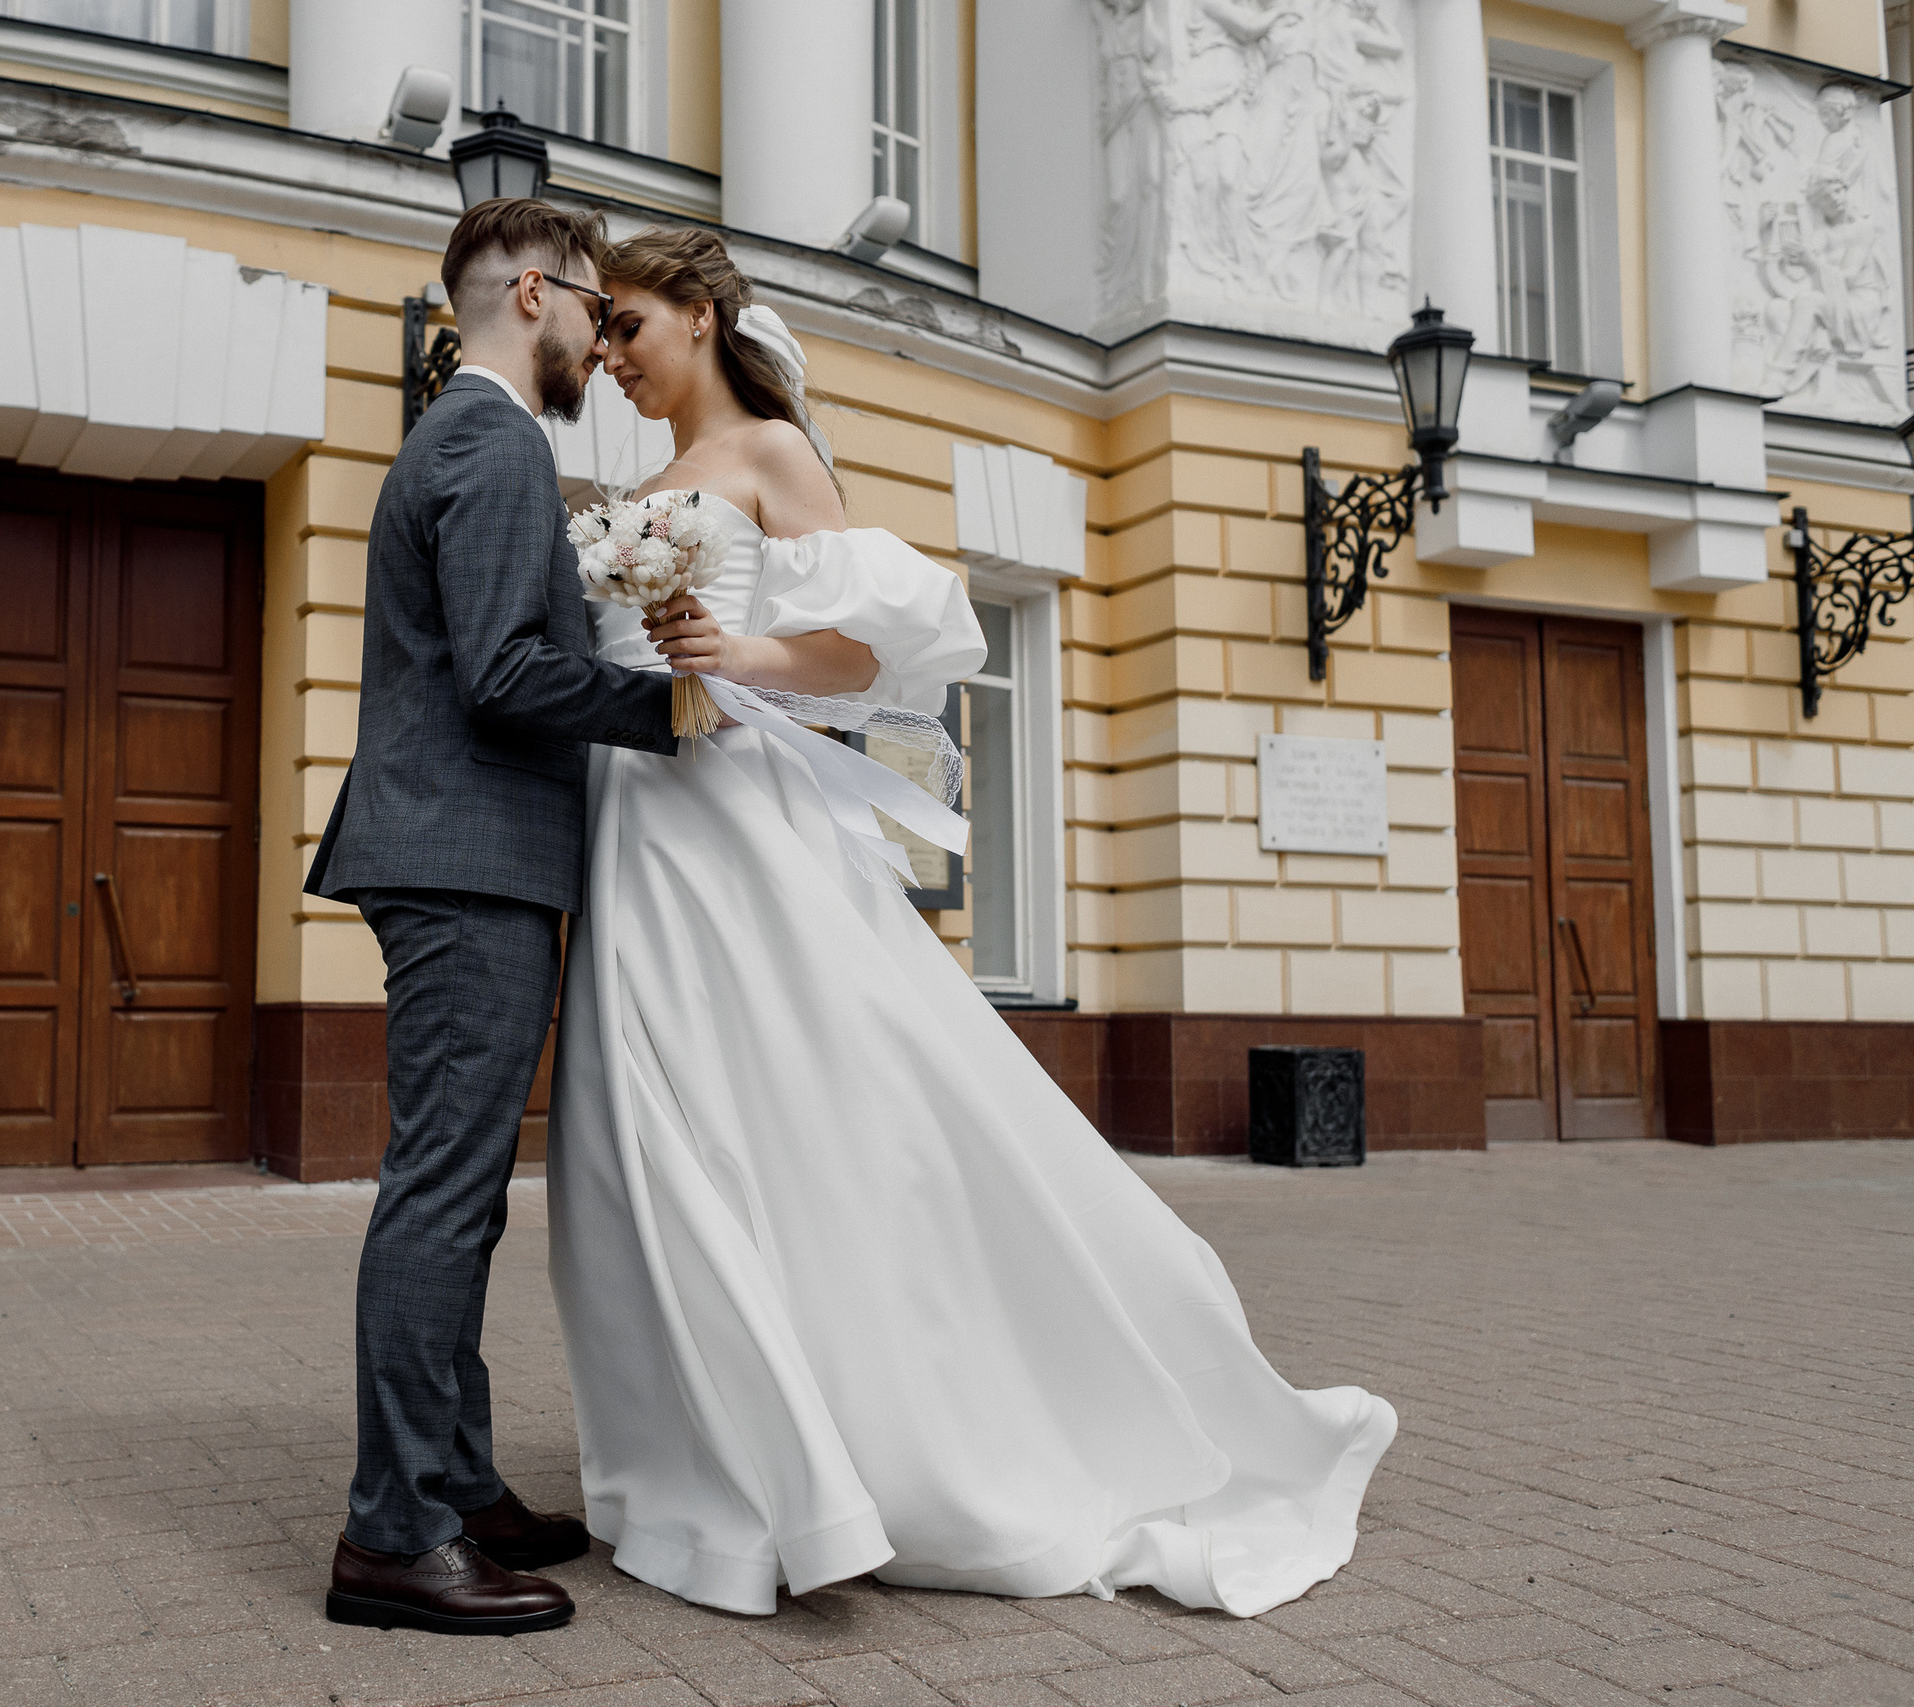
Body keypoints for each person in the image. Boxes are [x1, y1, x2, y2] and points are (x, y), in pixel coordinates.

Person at [550, 225, 1398, 1618]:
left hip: (734, 824)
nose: (613, 358)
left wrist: (734, 652)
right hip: (639, 827)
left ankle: (896, 1426)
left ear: (698, 314)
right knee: (653, 1130)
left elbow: (874, 648)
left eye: (630, 326)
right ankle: (717, 1460)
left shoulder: (773, 455)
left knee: (809, 1110)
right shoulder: (637, 485)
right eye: (603, 336)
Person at [303, 198, 679, 1637]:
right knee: (443, 1192)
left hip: (464, 855)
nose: (602, 332)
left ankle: (452, 1481)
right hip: (466, 861)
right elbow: (509, 675)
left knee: (455, 1189)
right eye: (593, 304)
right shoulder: (494, 440)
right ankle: (395, 1535)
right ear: (536, 294)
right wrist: (678, 707)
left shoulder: (473, 440)